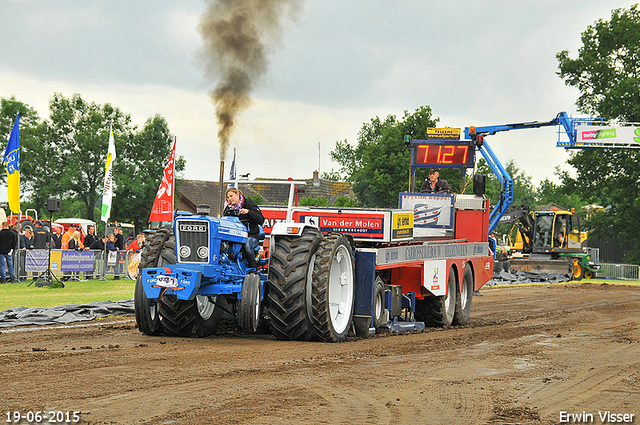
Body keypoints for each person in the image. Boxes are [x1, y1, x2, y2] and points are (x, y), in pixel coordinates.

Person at [223, 187, 265, 269]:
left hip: (250, 236)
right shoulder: (228, 209)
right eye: (228, 197)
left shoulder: (249, 204)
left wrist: (248, 212)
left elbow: (261, 219)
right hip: (234, 237)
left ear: (237, 194)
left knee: (246, 245)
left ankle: (252, 267)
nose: (229, 199)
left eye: (231, 196)